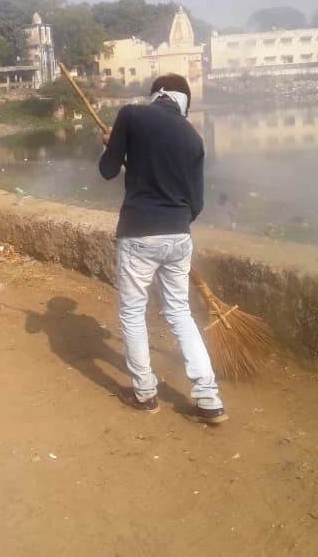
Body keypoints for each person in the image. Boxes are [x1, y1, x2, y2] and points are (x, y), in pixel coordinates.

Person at [98, 74, 227, 424]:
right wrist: (175, 220)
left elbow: (108, 170)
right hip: (179, 234)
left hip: (139, 232)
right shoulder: (193, 137)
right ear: (183, 102)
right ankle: (208, 396)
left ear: (156, 94)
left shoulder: (131, 115)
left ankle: (145, 393)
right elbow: (196, 203)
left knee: (133, 312)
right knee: (180, 312)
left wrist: (110, 145)